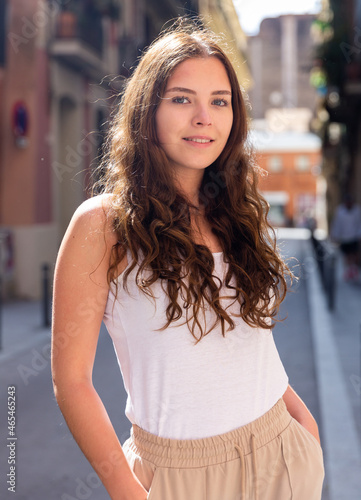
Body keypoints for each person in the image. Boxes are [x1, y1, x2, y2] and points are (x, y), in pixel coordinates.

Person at [51, 19, 324, 500]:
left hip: (282, 455)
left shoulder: (236, 210)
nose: (205, 117)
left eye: (220, 101)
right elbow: (71, 381)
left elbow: (248, 339)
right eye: (182, 99)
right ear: (147, 111)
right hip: (175, 477)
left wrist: (303, 425)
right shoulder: (103, 225)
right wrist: (125, 488)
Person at [331, 194, 361, 281]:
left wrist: (359, 234)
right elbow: (337, 224)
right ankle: (348, 270)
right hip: (344, 237)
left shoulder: (357, 210)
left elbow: (359, 223)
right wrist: (335, 235)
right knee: (346, 255)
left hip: (354, 236)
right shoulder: (340, 211)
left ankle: (354, 269)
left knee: (354, 254)